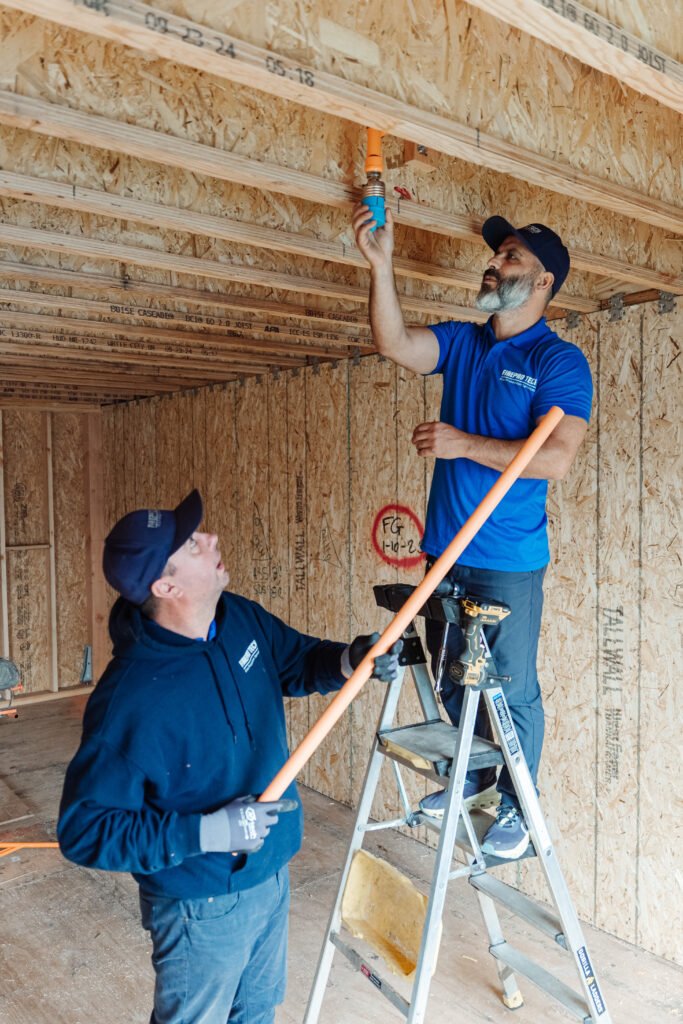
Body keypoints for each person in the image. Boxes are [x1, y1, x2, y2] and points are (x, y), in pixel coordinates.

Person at [58, 489, 401, 1024]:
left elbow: (295, 661)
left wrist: (348, 659)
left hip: (270, 872)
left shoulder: (237, 617)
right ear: (165, 586)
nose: (211, 537)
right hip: (201, 906)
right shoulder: (129, 703)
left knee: (257, 1012)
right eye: (193, 543)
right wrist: (205, 834)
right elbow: (84, 832)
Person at [352, 204, 592, 860]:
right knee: (456, 680)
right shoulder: (462, 342)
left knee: (508, 687)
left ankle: (517, 804)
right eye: (497, 254)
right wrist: (380, 266)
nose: (495, 262)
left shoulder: (558, 361)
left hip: (505, 559)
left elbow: (555, 459)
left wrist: (462, 444)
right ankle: (475, 783)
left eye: (511, 257)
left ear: (542, 283)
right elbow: (395, 344)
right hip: (443, 551)